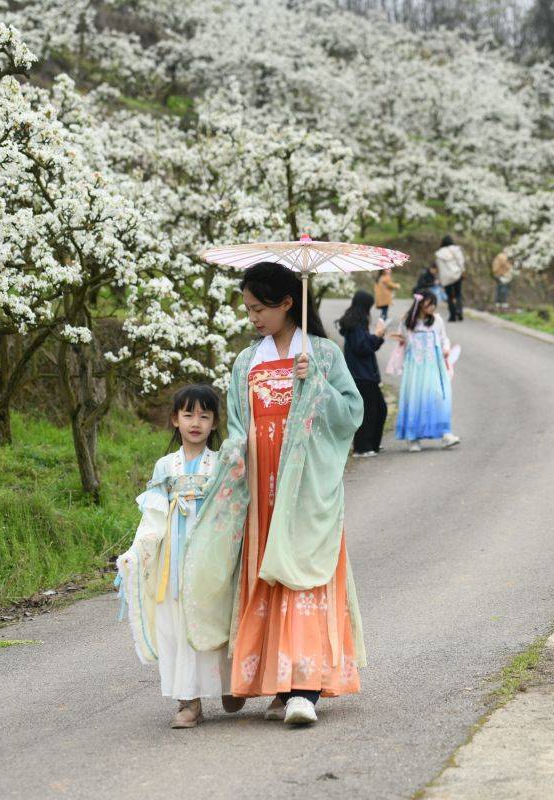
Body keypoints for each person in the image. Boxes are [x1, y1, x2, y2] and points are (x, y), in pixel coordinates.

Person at [181, 262, 366, 727]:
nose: (253, 318)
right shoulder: (248, 361)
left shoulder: (322, 355)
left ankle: (304, 689)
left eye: (260, 308)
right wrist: (236, 455)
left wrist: (317, 385)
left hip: (304, 487)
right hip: (260, 487)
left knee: (302, 574)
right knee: (265, 576)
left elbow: (352, 415)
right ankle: (276, 685)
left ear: (288, 303)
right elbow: (240, 424)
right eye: (247, 310)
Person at [114, 385, 245, 728]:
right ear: (175, 419)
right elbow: (154, 514)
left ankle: (231, 686)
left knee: (217, 618)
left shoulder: (220, 464)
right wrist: (138, 552)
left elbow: (231, 510)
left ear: (215, 422)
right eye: (188, 415)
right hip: (174, 560)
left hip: (211, 560)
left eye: (204, 415)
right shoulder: (165, 467)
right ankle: (189, 702)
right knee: (177, 626)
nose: (196, 422)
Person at [387, 292, 460, 452]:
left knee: (439, 397)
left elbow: (443, 338)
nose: (432, 307)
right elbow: (403, 340)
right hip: (415, 368)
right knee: (415, 399)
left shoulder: (437, 320)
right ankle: (413, 437)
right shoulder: (407, 321)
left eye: (434, 304)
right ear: (419, 304)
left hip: (434, 366)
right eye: (429, 304)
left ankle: (445, 434)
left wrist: (446, 349)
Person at [337, 290, 388, 458]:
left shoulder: (355, 323)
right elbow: (363, 347)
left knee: (379, 409)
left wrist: (377, 338)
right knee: (370, 412)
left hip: (364, 375)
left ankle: (372, 444)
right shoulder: (356, 325)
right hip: (362, 375)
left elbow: (364, 345)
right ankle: (362, 448)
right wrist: (378, 336)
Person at [434, 234, 466, 322]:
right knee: (458, 294)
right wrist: (463, 270)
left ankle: (452, 316)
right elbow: (461, 261)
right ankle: (459, 311)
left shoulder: (439, 253)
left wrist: (440, 279)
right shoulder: (456, 249)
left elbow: (439, 267)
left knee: (450, 296)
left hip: (446, 277)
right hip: (456, 274)